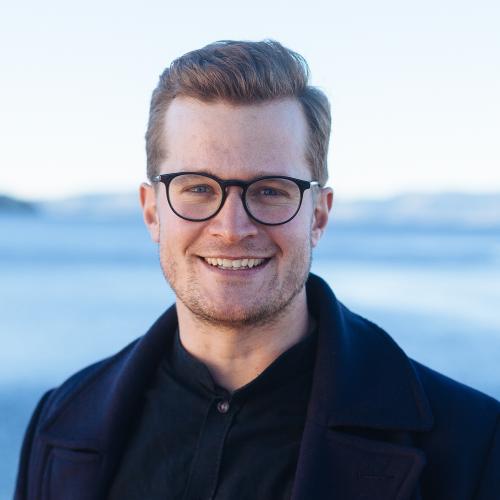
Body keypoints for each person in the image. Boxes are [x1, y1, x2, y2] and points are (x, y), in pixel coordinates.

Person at [15, 40, 499, 500]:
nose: (231, 228)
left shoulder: (473, 441)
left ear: (318, 216)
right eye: (197, 188)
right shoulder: (61, 420)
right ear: (151, 211)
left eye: (270, 190)